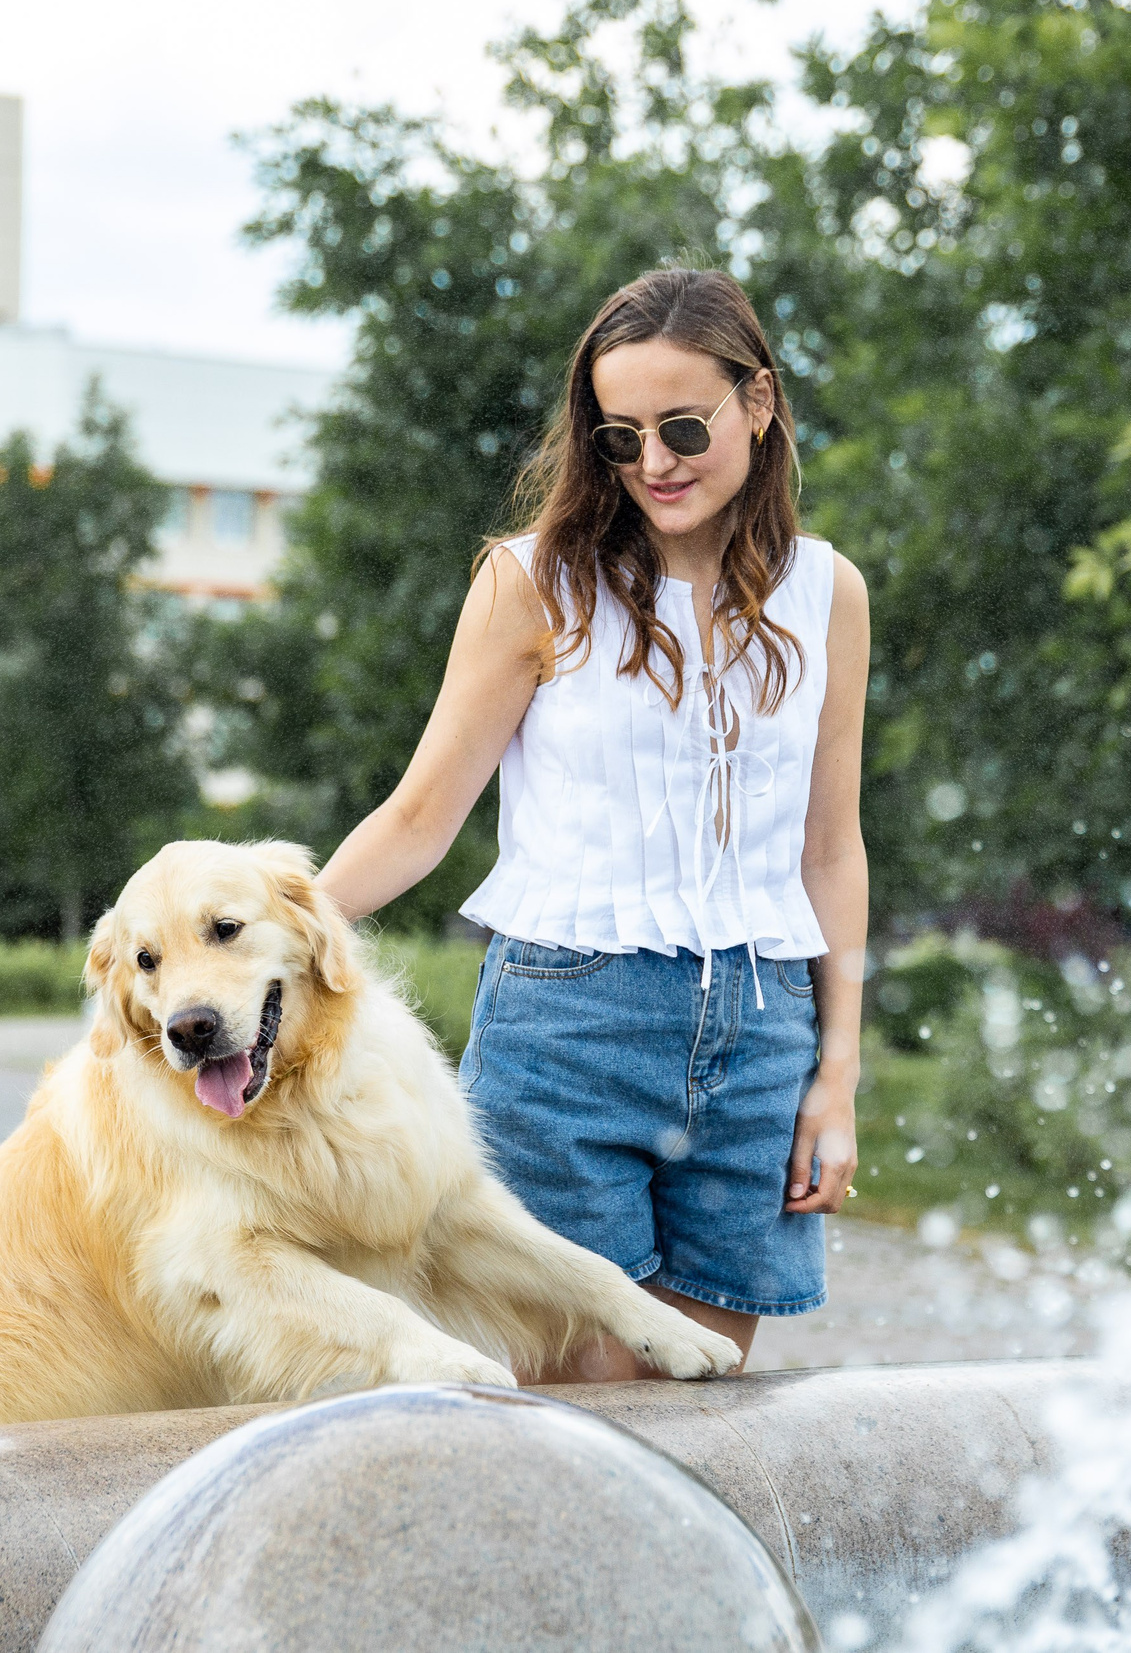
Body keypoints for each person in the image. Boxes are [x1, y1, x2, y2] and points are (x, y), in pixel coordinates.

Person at [314, 266, 869, 1382]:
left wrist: (837, 1073)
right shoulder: (532, 585)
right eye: (619, 438)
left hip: (762, 1036)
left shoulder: (827, 593)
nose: (652, 464)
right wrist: (270, 942)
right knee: (584, 1420)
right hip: (569, 1028)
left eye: (679, 427)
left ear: (757, 403)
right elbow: (422, 816)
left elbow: (830, 847)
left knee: (707, 1404)